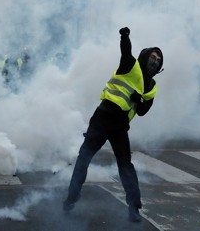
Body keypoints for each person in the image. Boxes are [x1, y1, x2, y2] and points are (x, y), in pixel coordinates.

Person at [63, 27, 164, 223]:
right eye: (153, 57)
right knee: (84, 158)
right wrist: (124, 36)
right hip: (102, 117)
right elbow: (126, 50)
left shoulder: (151, 87)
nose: (154, 61)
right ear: (144, 56)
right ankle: (71, 198)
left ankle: (134, 208)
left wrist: (139, 100)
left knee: (125, 165)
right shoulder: (130, 65)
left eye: (158, 61)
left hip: (120, 125)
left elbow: (143, 111)